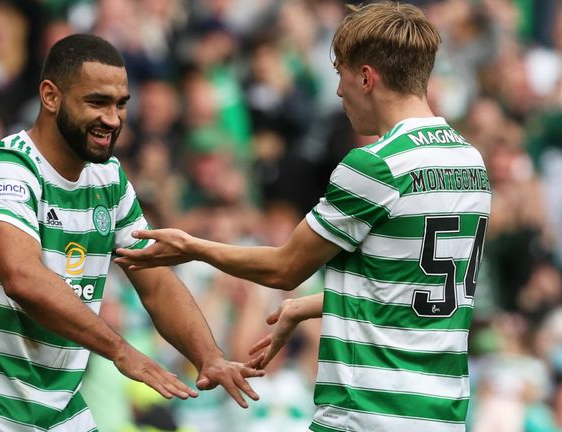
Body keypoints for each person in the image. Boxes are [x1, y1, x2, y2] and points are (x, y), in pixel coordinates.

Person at [115, 2, 492, 431]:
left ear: (366, 78)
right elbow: (409, 292)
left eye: (341, 75)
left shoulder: (377, 164)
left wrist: (192, 247)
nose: (338, 92)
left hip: (367, 413)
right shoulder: (469, 162)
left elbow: (284, 267)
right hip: (442, 413)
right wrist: (303, 308)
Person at [0, 34, 263, 431]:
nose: (113, 119)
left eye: (120, 105)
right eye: (97, 102)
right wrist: (121, 351)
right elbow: (22, 279)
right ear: (50, 96)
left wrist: (209, 356)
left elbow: (154, 282)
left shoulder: (108, 178)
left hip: (60, 408)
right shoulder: (4, 169)